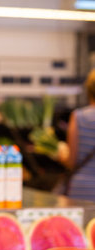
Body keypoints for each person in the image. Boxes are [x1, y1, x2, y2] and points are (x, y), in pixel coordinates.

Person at [57, 69, 95, 201]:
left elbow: (71, 161)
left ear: (89, 91)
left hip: (81, 190)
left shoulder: (79, 116)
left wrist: (61, 154)